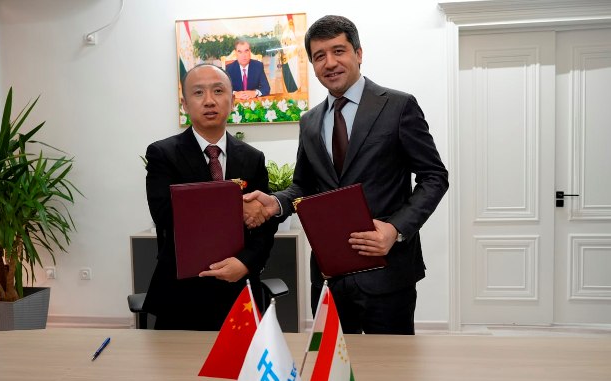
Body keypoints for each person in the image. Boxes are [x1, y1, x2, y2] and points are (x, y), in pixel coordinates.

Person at [243, 15, 448, 335]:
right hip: (329, 278)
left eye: (338, 51)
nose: (330, 63)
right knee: (330, 366)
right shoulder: (310, 122)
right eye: (319, 56)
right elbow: (303, 186)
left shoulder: (398, 106)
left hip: (388, 274)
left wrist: (396, 229)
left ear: (358, 53)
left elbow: (434, 176)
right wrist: (276, 203)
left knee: (390, 366)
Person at [142, 64, 278, 330]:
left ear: (232, 100)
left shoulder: (252, 158)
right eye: (198, 93)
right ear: (185, 104)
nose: (209, 101)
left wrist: (245, 263)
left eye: (218, 91)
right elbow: (165, 215)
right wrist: (235, 207)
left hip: (239, 288)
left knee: (243, 357)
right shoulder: (163, 154)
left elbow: (265, 225)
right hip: (182, 294)